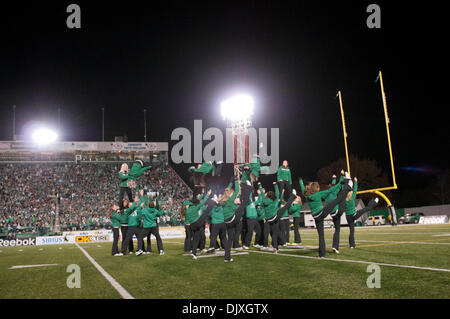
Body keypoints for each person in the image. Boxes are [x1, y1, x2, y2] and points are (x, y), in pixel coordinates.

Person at [299, 172, 353, 258]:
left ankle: (322, 255)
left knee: (321, 236)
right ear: (316, 189)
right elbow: (331, 190)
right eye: (318, 187)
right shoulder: (318, 194)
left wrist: (301, 182)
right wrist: (341, 182)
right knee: (336, 200)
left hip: (316, 217)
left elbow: (302, 189)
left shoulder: (306, 196)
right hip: (321, 213)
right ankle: (348, 187)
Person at [260, 182, 297, 253]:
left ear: (267, 195)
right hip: (275, 218)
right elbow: (277, 193)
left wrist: (260, 186)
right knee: (286, 206)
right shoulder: (275, 200)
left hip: (269, 220)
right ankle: (293, 196)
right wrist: (275, 185)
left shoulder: (264, 201)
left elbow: (262, 194)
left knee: (272, 233)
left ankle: (274, 247)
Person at [344, 177, 379, 248]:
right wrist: (355, 182)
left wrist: (346, 181)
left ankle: (351, 245)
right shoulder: (352, 197)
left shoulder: (344, 200)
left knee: (351, 231)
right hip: (354, 215)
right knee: (366, 209)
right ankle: (374, 202)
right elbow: (355, 190)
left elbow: (345, 191)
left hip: (348, 217)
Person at [183, 190, 212, 259]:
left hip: (192, 226)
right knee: (204, 214)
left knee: (196, 238)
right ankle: (212, 204)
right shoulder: (195, 207)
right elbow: (202, 202)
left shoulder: (187, 211)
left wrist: (202, 194)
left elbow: (197, 201)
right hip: (197, 223)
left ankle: (194, 253)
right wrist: (207, 194)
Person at [323, 171, 345, 253]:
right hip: (337, 211)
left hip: (332, 214)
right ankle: (335, 246)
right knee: (343, 196)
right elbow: (339, 184)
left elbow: (333, 185)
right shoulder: (333, 192)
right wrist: (342, 175)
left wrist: (334, 178)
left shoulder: (326, 194)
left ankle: (335, 247)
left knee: (337, 230)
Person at [206, 196, 232, 261]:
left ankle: (212, 247)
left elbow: (208, 215)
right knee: (223, 237)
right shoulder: (221, 207)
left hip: (216, 224)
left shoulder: (211, 209)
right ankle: (227, 249)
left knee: (213, 236)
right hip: (223, 223)